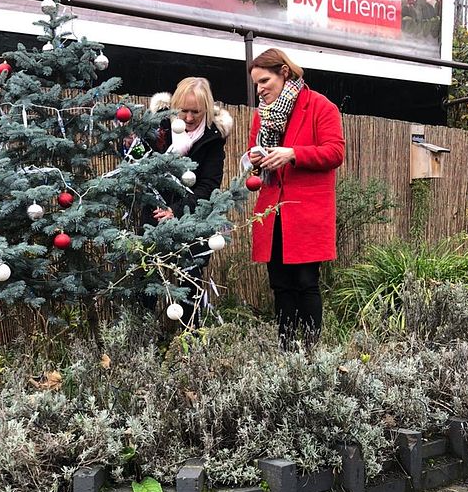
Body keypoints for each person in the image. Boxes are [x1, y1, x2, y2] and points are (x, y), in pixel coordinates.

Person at [247, 48, 345, 345]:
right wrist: (255, 157)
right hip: (272, 210)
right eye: (256, 85)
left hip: (307, 211)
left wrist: (292, 154)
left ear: (284, 73)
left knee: (306, 282)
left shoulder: (320, 106)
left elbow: (335, 152)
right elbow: (254, 152)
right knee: (280, 285)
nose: (260, 90)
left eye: (264, 81)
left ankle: (313, 352)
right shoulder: (261, 116)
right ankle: (287, 350)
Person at [148, 77, 233, 323]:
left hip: (192, 218)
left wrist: (176, 211)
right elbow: (142, 167)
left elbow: (208, 185)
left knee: (189, 279)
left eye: (195, 111)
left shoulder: (213, 139)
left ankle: (190, 338)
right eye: (183, 110)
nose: (188, 117)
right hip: (153, 213)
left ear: (205, 108)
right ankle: (144, 339)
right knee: (148, 278)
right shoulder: (159, 128)